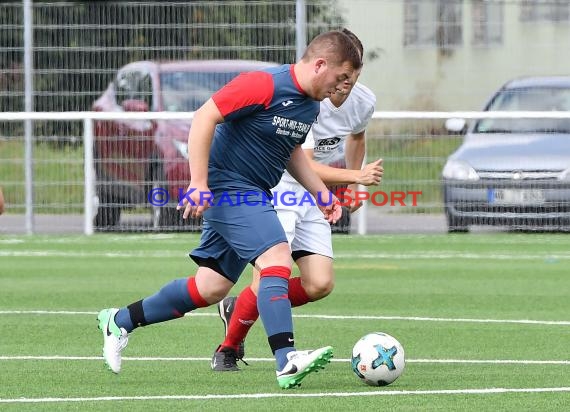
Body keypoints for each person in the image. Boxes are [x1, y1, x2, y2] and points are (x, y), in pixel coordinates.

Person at [97, 30, 362, 389]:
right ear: (319, 64)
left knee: (211, 287)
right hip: (228, 188)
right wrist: (199, 182)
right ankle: (287, 359)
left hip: (255, 192)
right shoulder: (263, 84)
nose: (342, 87)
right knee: (276, 259)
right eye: (342, 77)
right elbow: (205, 116)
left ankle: (119, 321)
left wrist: (320, 192)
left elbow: (292, 151)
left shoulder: (309, 105)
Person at [211, 29, 381, 372]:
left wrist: (351, 184)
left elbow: (357, 138)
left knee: (319, 283)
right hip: (281, 188)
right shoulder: (308, 101)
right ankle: (228, 347)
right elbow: (302, 161)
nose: (347, 84)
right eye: (343, 75)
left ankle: (241, 305)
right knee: (270, 273)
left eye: (354, 76)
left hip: (311, 193)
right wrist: (355, 178)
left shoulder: (364, 101)